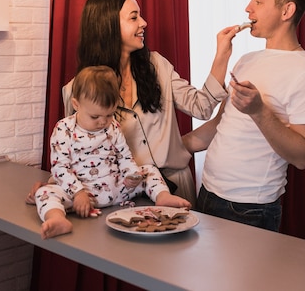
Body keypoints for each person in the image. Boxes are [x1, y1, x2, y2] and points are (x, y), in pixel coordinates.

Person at [28, 0, 235, 207]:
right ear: (108, 26)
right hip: (122, 194)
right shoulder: (77, 89)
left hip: (172, 187)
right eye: (134, 17)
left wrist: (222, 54)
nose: (144, 22)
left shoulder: (157, 66)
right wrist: (51, 187)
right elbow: (77, 152)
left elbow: (201, 107)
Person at [182, 0, 305, 232]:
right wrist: (169, 150)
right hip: (207, 194)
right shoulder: (246, 60)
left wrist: (259, 111)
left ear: (287, 11)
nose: (247, 8)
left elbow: (304, 155)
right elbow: (219, 125)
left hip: (250, 209)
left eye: (258, 2)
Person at [34, 65, 191, 239]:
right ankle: (57, 219)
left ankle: (163, 196)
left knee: (149, 170)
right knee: (44, 193)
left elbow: (124, 156)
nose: (103, 122)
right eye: (95, 117)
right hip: (83, 194)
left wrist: (132, 175)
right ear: (76, 104)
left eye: (109, 115)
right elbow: (60, 169)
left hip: (115, 188)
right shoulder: (64, 129)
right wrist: (78, 193)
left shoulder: (113, 126)